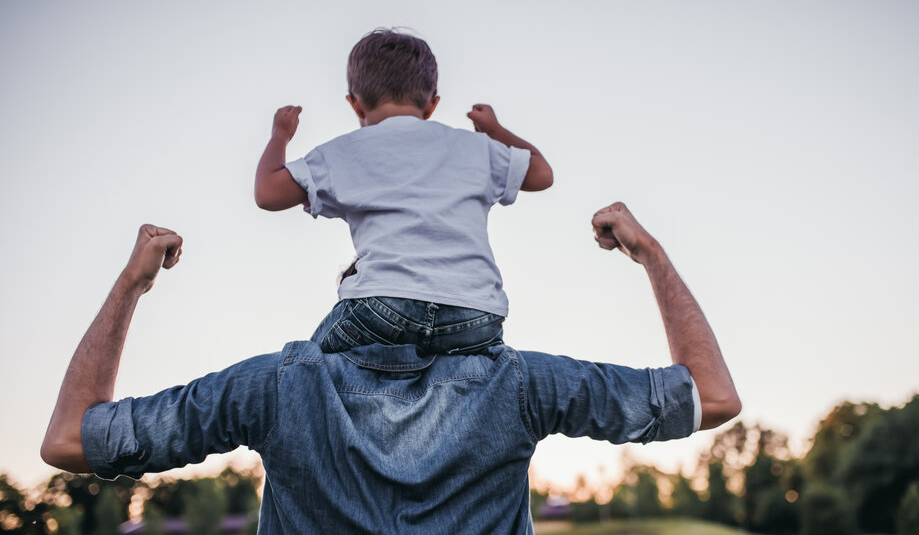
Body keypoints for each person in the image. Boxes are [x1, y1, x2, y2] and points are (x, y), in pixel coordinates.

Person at [41, 202, 741, 534]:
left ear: (352, 290)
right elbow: (711, 396)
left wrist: (131, 284)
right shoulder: (520, 385)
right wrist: (648, 252)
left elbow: (71, 439)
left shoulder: (276, 388)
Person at [253, 29, 554, 357]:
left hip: (384, 308)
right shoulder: (475, 148)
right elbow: (542, 174)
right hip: (476, 315)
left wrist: (280, 136)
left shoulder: (344, 152)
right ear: (432, 105)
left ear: (355, 104)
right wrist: (495, 130)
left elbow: (267, 193)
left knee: (307, 366)